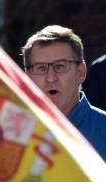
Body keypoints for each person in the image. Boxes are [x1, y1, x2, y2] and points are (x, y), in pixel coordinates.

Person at [21, 25, 106, 160]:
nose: (50, 78)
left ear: (81, 72)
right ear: (28, 77)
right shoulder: (12, 134)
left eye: (60, 66)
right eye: (41, 68)